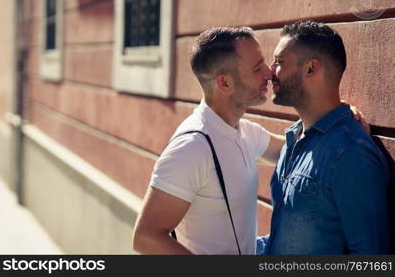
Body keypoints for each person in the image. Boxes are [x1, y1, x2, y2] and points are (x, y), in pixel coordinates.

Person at [132, 26, 285, 254]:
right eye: (256, 69)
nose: (268, 73)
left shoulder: (244, 131)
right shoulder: (192, 148)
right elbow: (146, 238)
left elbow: (293, 148)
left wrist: (337, 116)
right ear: (224, 83)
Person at [260, 21, 390, 254]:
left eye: (279, 62)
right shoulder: (294, 138)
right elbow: (287, 241)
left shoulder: (350, 153)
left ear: (310, 69)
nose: (270, 71)